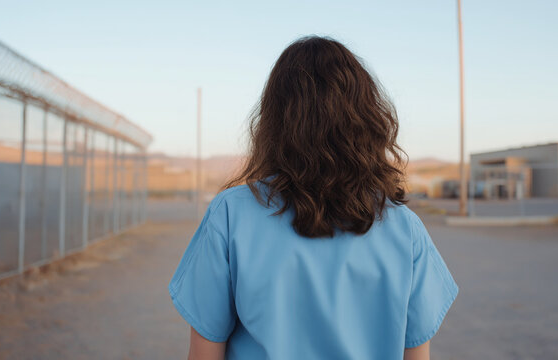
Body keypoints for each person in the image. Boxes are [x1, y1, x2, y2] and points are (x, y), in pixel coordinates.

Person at [168, 36, 458, 360]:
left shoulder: (230, 215)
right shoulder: (405, 229)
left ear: (274, 119)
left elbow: (205, 354)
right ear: (366, 118)